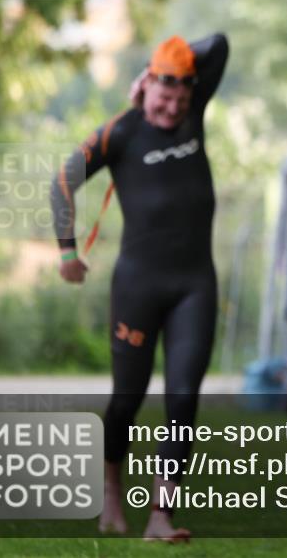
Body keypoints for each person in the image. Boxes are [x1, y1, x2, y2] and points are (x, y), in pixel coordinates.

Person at [51, 33, 229, 542]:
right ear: (145, 84)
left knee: (183, 398)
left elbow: (219, 43)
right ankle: (109, 490)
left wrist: (174, 62)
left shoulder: (193, 111)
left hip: (195, 284)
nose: (172, 108)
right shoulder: (121, 133)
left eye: (179, 99)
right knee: (127, 397)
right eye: (162, 96)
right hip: (138, 287)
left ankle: (160, 515)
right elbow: (63, 180)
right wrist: (67, 251)